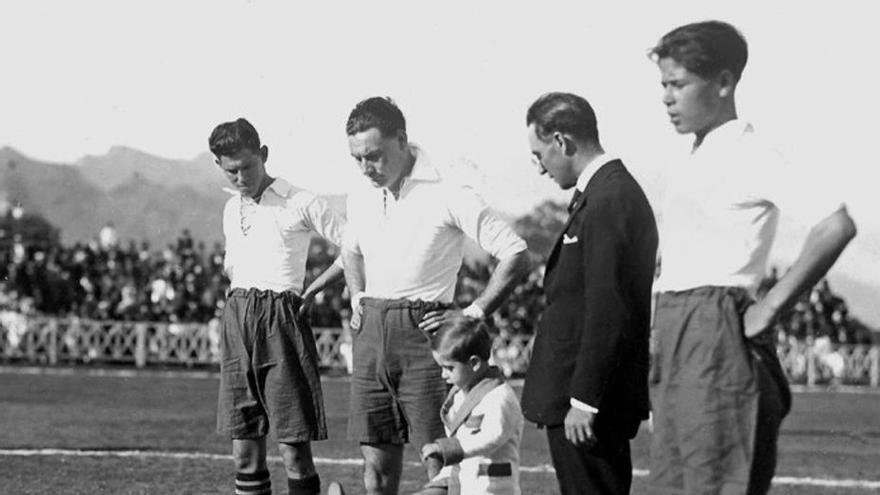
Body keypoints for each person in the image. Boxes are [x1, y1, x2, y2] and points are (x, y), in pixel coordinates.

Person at [648, 21, 857, 494]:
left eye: (678, 85)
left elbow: (835, 224)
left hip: (715, 323)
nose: (667, 98)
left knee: (718, 479)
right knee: (672, 482)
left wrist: (771, 305)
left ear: (723, 82)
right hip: (675, 324)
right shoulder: (690, 156)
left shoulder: (749, 152)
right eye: (663, 85)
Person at [340, 96, 531, 495]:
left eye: (373, 155)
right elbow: (350, 250)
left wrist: (473, 314)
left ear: (402, 140)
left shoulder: (449, 191)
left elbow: (516, 253)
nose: (365, 167)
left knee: (442, 464)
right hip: (372, 332)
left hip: (426, 335)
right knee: (375, 468)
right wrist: (358, 297)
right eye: (357, 158)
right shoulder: (360, 194)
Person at [519, 92, 658, 494]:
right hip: (585, 397)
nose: (540, 168)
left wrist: (585, 400)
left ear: (562, 141)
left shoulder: (609, 199)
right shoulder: (601, 194)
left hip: (588, 403)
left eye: (539, 154)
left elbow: (608, 308)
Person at [209, 118, 346, 495]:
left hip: (280, 319)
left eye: (248, 167)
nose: (240, 177)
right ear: (219, 166)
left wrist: (315, 287)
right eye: (231, 170)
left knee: (293, 449)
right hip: (238, 317)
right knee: (244, 452)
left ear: (264, 155)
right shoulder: (229, 208)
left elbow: (356, 245)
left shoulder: (300, 201)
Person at [326, 319, 524, 495]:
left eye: (449, 368)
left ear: (473, 364)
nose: (443, 375)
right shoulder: (459, 394)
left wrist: (445, 448)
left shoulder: (499, 397)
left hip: (492, 487)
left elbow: (492, 436)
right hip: (461, 479)